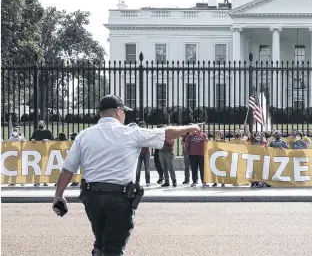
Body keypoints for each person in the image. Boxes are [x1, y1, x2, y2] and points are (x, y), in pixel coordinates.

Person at [52, 94, 201, 256]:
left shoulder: (84, 136)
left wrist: (58, 195)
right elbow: (165, 133)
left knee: (101, 241)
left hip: (91, 197)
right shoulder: (130, 133)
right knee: (114, 248)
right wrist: (188, 128)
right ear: (118, 111)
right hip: (119, 197)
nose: (125, 115)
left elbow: (68, 169)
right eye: (124, 111)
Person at [30, 120, 53, 186]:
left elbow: (53, 140)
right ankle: (37, 181)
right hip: (36, 152)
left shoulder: (48, 132)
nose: (40, 126)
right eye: (39, 124)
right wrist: (32, 139)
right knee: (37, 167)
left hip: (45, 152)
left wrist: (47, 140)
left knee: (45, 167)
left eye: (41, 124)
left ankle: (45, 181)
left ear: (44, 125)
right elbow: (31, 138)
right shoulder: (35, 132)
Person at [135, 121, 151, 187]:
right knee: (138, 168)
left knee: (147, 168)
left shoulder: (147, 133)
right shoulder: (137, 133)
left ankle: (147, 181)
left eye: (143, 126)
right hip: (138, 152)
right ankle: (137, 181)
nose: (142, 127)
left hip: (146, 152)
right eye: (141, 126)